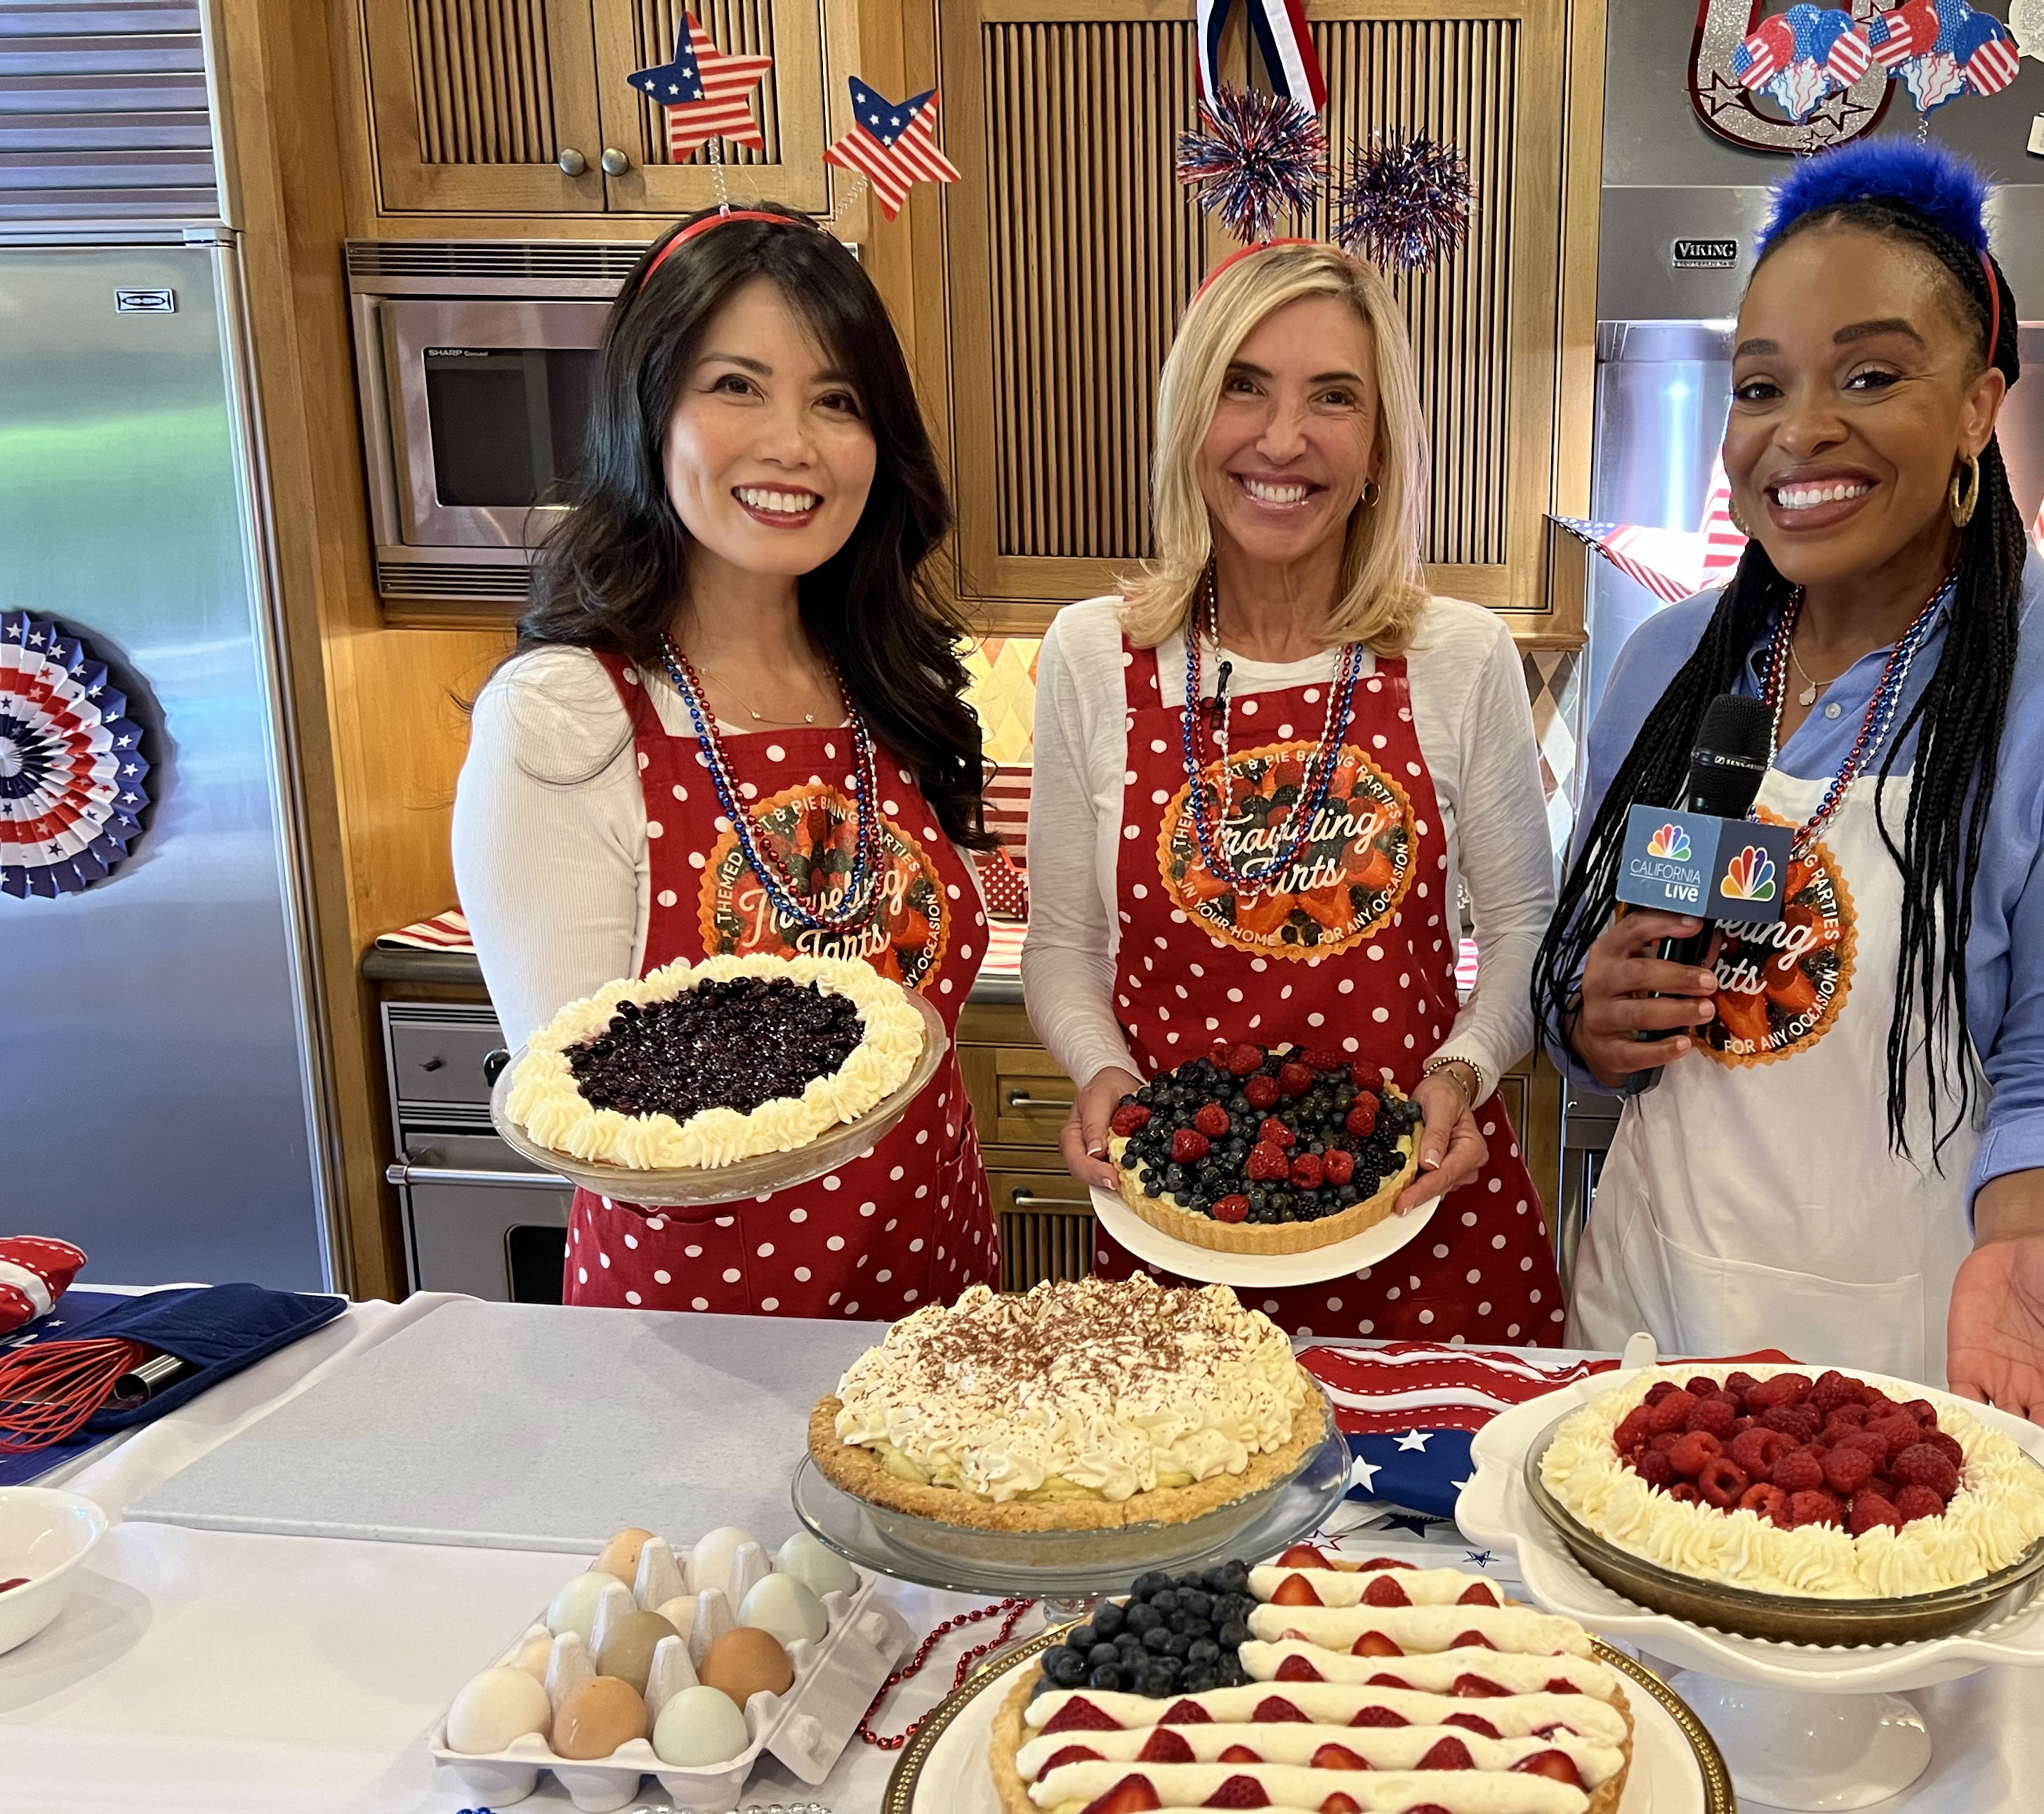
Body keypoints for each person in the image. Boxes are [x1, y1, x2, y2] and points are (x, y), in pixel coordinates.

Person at [1534, 140, 2044, 1450]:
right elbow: (1590, 968)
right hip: (1646, 1324)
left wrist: (2040, 1235)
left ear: (1977, 406)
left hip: (1924, 1369)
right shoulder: (1665, 666)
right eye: (1760, 385)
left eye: (1869, 375)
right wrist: (1592, 1016)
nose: (1799, 430)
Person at [453, 203, 1000, 1318]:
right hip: (697, 1337)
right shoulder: (567, 716)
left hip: (935, 1303)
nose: (792, 442)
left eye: (836, 400)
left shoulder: (885, 686)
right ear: (648, 409)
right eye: (736, 385)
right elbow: (588, 1107)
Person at [1022, 241, 1567, 1342]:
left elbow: (1523, 927)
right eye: (1243, 386)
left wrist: (1462, 1070)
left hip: (1423, 1219)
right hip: (1182, 1227)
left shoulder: (1457, 655)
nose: (1281, 439)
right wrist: (1104, 1072)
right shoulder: (1092, 653)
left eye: (1333, 396)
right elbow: (1062, 947)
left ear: (1378, 451)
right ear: (1190, 423)